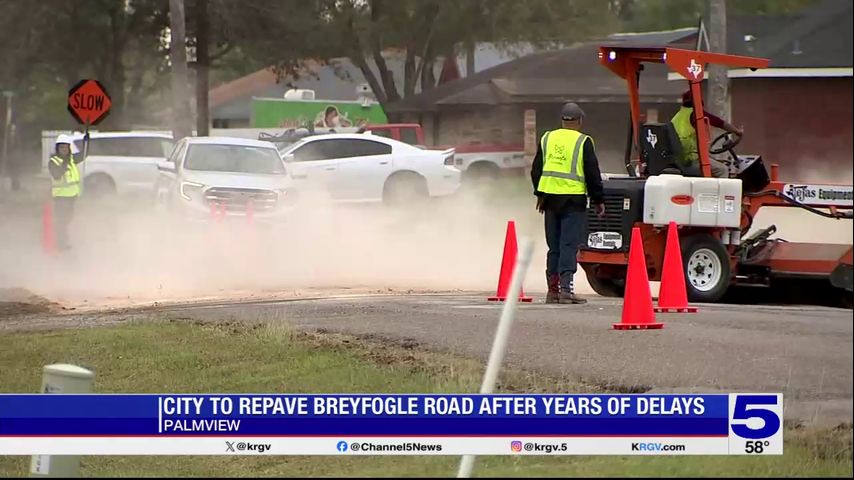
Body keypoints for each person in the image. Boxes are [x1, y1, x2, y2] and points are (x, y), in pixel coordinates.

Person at [531, 102, 605, 304]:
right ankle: (566, 289)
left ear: (562, 121)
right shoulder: (583, 141)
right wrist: (598, 199)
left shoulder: (547, 138)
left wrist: (540, 194)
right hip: (573, 200)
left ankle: (552, 290)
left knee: (553, 246)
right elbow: (592, 172)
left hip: (550, 200)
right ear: (580, 121)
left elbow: (536, 170)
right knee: (568, 245)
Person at [671, 90, 743, 178]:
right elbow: (720, 123)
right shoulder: (696, 114)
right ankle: (722, 192)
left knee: (719, 162)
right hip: (691, 159)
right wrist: (737, 131)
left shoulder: (678, 116)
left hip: (680, 159)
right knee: (722, 169)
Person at [48, 134, 85, 251]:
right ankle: (60, 243)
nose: (64, 150)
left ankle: (63, 240)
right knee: (62, 220)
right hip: (61, 196)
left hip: (72, 196)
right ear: (57, 149)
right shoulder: (53, 161)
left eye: (66, 147)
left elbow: (84, 154)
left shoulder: (72, 159)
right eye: (62, 148)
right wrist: (64, 164)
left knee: (68, 219)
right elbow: (57, 175)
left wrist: (86, 140)